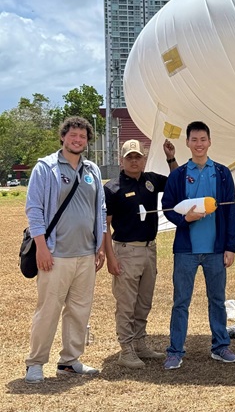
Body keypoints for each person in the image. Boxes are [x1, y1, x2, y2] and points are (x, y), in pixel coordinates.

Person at [24, 116, 107, 384]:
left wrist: (101, 246)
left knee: (79, 311)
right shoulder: (45, 168)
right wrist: (41, 248)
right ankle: (35, 363)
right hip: (55, 254)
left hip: (86, 255)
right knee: (48, 310)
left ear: (87, 141)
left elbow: (101, 211)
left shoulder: (92, 170)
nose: (77, 140)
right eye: (73, 135)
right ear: (63, 137)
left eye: (82, 137)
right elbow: (34, 210)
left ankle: (70, 362)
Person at [161, 121, 235, 369]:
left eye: (203, 139)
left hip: (215, 251)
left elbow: (229, 213)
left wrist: (230, 247)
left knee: (217, 299)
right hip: (186, 251)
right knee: (181, 301)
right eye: (194, 140)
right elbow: (168, 207)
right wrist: (185, 220)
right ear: (187, 143)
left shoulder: (223, 173)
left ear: (209, 141)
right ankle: (175, 350)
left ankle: (220, 346)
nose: (199, 144)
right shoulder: (178, 175)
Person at [103, 138, 178, 369]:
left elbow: (176, 182)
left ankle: (140, 343)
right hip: (126, 251)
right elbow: (104, 225)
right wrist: (110, 258)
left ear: (144, 159)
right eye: (130, 157)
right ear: (121, 160)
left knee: (144, 302)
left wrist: (170, 157)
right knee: (126, 304)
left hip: (149, 249)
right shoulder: (112, 188)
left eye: (138, 157)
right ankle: (126, 350)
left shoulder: (151, 181)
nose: (134, 161)